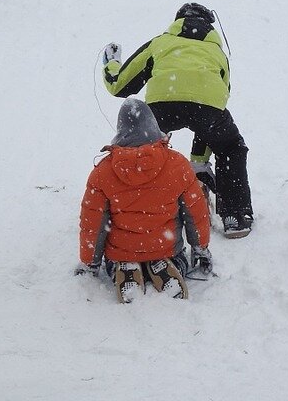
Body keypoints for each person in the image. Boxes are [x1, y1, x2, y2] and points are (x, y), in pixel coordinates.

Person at [102, 3, 254, 238]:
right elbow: (217, 100)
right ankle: (235, 215)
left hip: (162, 105)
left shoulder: (160, 43)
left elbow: (118, 85)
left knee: (141, 150)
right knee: (229, 147)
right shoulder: (218, 54)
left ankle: (127, 210)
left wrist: (111, 62)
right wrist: (199, 162)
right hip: (208, 108)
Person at [76, 98, 213, 303]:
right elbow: (195, 212)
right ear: (153, 125)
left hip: (121, 252)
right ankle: (166, 265)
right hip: (166, 247)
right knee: (175, 258)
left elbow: (93, 224)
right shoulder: (176, 164)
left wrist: (90, 262)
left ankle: (127, 268)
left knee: (119, 261)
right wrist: (200, 247)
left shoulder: (103, 172)